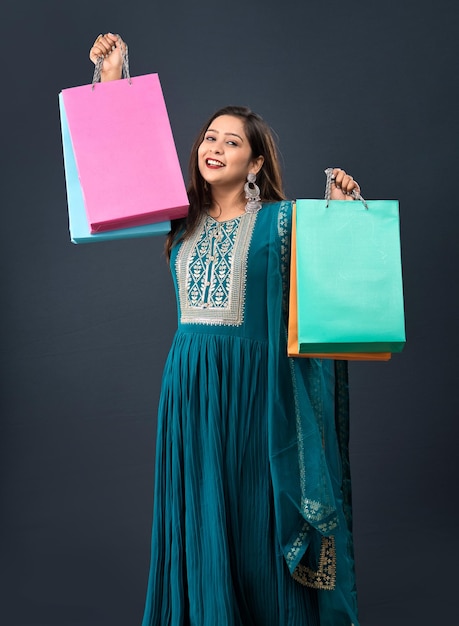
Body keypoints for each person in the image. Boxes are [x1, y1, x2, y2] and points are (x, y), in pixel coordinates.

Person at [90, 33, 361, 626]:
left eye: (231, 141)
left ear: (256, 162)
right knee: (200, 519)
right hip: (190, 393)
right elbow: (119, 178)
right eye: (209, 137)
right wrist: (113, 79)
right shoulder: (177, 214)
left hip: (259, 397)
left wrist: (339, 215)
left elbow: (329, 288)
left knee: (256, 522)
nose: (213, 147)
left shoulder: (283, 223)